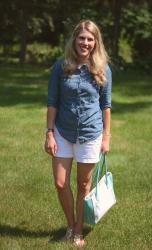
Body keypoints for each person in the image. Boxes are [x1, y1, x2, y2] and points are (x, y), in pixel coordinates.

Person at [44, 19, 112, 247]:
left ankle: (78, 230)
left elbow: (106, 105)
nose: (85, 42)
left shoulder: (103, 69)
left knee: (84, 185)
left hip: (91, 134)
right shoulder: (60, 66)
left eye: (90, 39)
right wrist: (50, 133)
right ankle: (70, 224)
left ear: (96, 42)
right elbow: (52, 101)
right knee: (60, 182)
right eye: (81, 38)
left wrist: (106, 137)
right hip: (63, 132)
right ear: (74, 39)